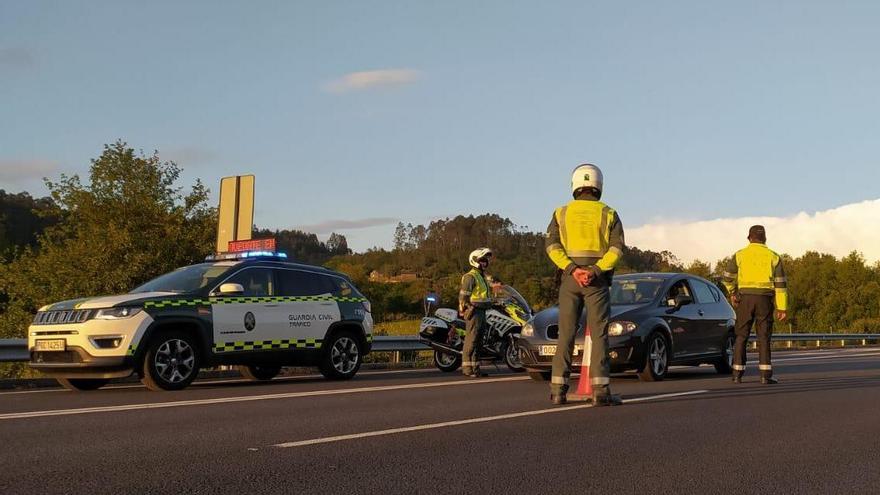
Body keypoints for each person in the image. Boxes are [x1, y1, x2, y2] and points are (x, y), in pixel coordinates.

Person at [546, 164, 625, 406]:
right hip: (597, 279)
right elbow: (617, 249)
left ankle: (558, 390)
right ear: (598, 186)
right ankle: (600, 390)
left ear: (575, 185)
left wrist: (572, 269)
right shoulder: (609, 213)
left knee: (566, 334)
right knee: (599, 334)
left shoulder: (561, 213)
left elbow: (552, 247)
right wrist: (594, 270)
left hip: (570, 279)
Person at [723, 225, 788, 384]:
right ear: (765, 238)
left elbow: (727, 278)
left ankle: (737, 374)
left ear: (749, 238)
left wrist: (733, 293)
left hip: (745, 299)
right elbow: (780, 285)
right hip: (765, 300)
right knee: (764, 337)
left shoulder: (740, 255)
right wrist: (782, 308)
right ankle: (765, 376)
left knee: (741, 336)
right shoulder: (773, 257)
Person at [458, 248, 494, 377]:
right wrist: (468, 309)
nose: (484, 263)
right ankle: (467, 369)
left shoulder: (481, 276)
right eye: (482, 260)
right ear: (474, 261)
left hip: (482, 311)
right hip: (474, 312)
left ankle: (476, 369)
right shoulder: (470, 276)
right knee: (471, 340)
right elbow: (463, 297)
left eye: (486, 261)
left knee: (479, 341)